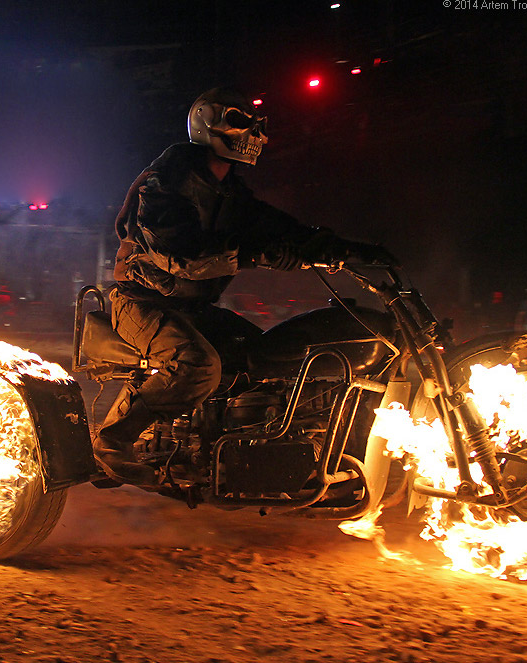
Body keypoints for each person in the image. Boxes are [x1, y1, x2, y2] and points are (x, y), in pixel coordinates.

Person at [95, 87, 395, 484]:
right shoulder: (164, 185)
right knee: (200, 366)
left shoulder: (231, 194)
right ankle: (112, 441)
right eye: (238, 122)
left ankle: (237, 452)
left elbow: (282, 229)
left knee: (264, 358)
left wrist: (352, 251)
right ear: (205, 124)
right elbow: (179, 256)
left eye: (257, 125)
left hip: (193, 309)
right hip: (144, 303)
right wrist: (255, 255)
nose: (253, 134)